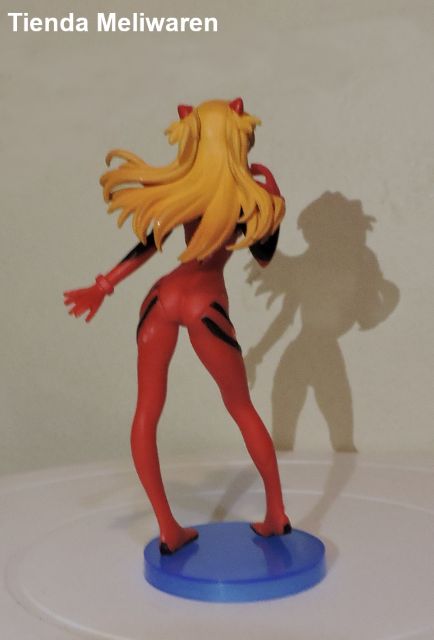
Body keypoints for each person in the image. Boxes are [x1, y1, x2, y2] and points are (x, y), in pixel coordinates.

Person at [64, 98, 291, 554]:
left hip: (162, 298)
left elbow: (149, 244)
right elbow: (264, 258)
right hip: (206, 305)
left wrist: (104, 285)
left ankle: (168, 527)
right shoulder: (245, 199)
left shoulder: (189, 192)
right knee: (240, 407)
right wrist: (274, 203)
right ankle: (276, 514)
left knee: (147, 411)